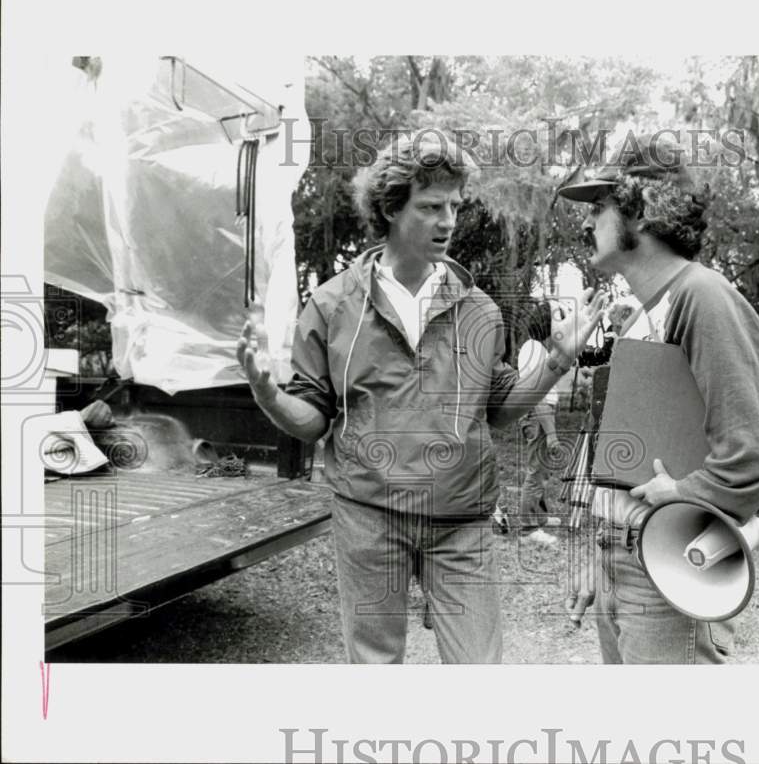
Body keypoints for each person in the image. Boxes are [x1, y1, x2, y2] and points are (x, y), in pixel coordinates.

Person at [236, 135, 605, 664]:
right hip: (368, 514)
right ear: (390, 209)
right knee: (376, 665)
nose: (449, 220)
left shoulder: (478, 308)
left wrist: (555, 361)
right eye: (431, 207)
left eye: (455, 206)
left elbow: (499, 406)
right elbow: (311, 420)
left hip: (461, 518)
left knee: (477, 667)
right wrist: (267, 393)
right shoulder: (332, 304)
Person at [558, 134, 759, 664]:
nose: (587, 222)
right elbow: (617, 459)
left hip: (670, 565)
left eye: (600, 207)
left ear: (637, 212)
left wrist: (683, 493)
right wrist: (599, 552)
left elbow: (755, 455)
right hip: (624, 563)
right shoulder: (642, 314)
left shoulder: (701, 297)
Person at [516, 300, 563, 546]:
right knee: (536, 472)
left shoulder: (537, 348)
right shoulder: (534, 349)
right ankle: (528, 528)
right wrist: (552, 434)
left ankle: (540, 518)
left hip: (540, 413)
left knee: (542, 470)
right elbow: (537, 395)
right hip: (537, 414)